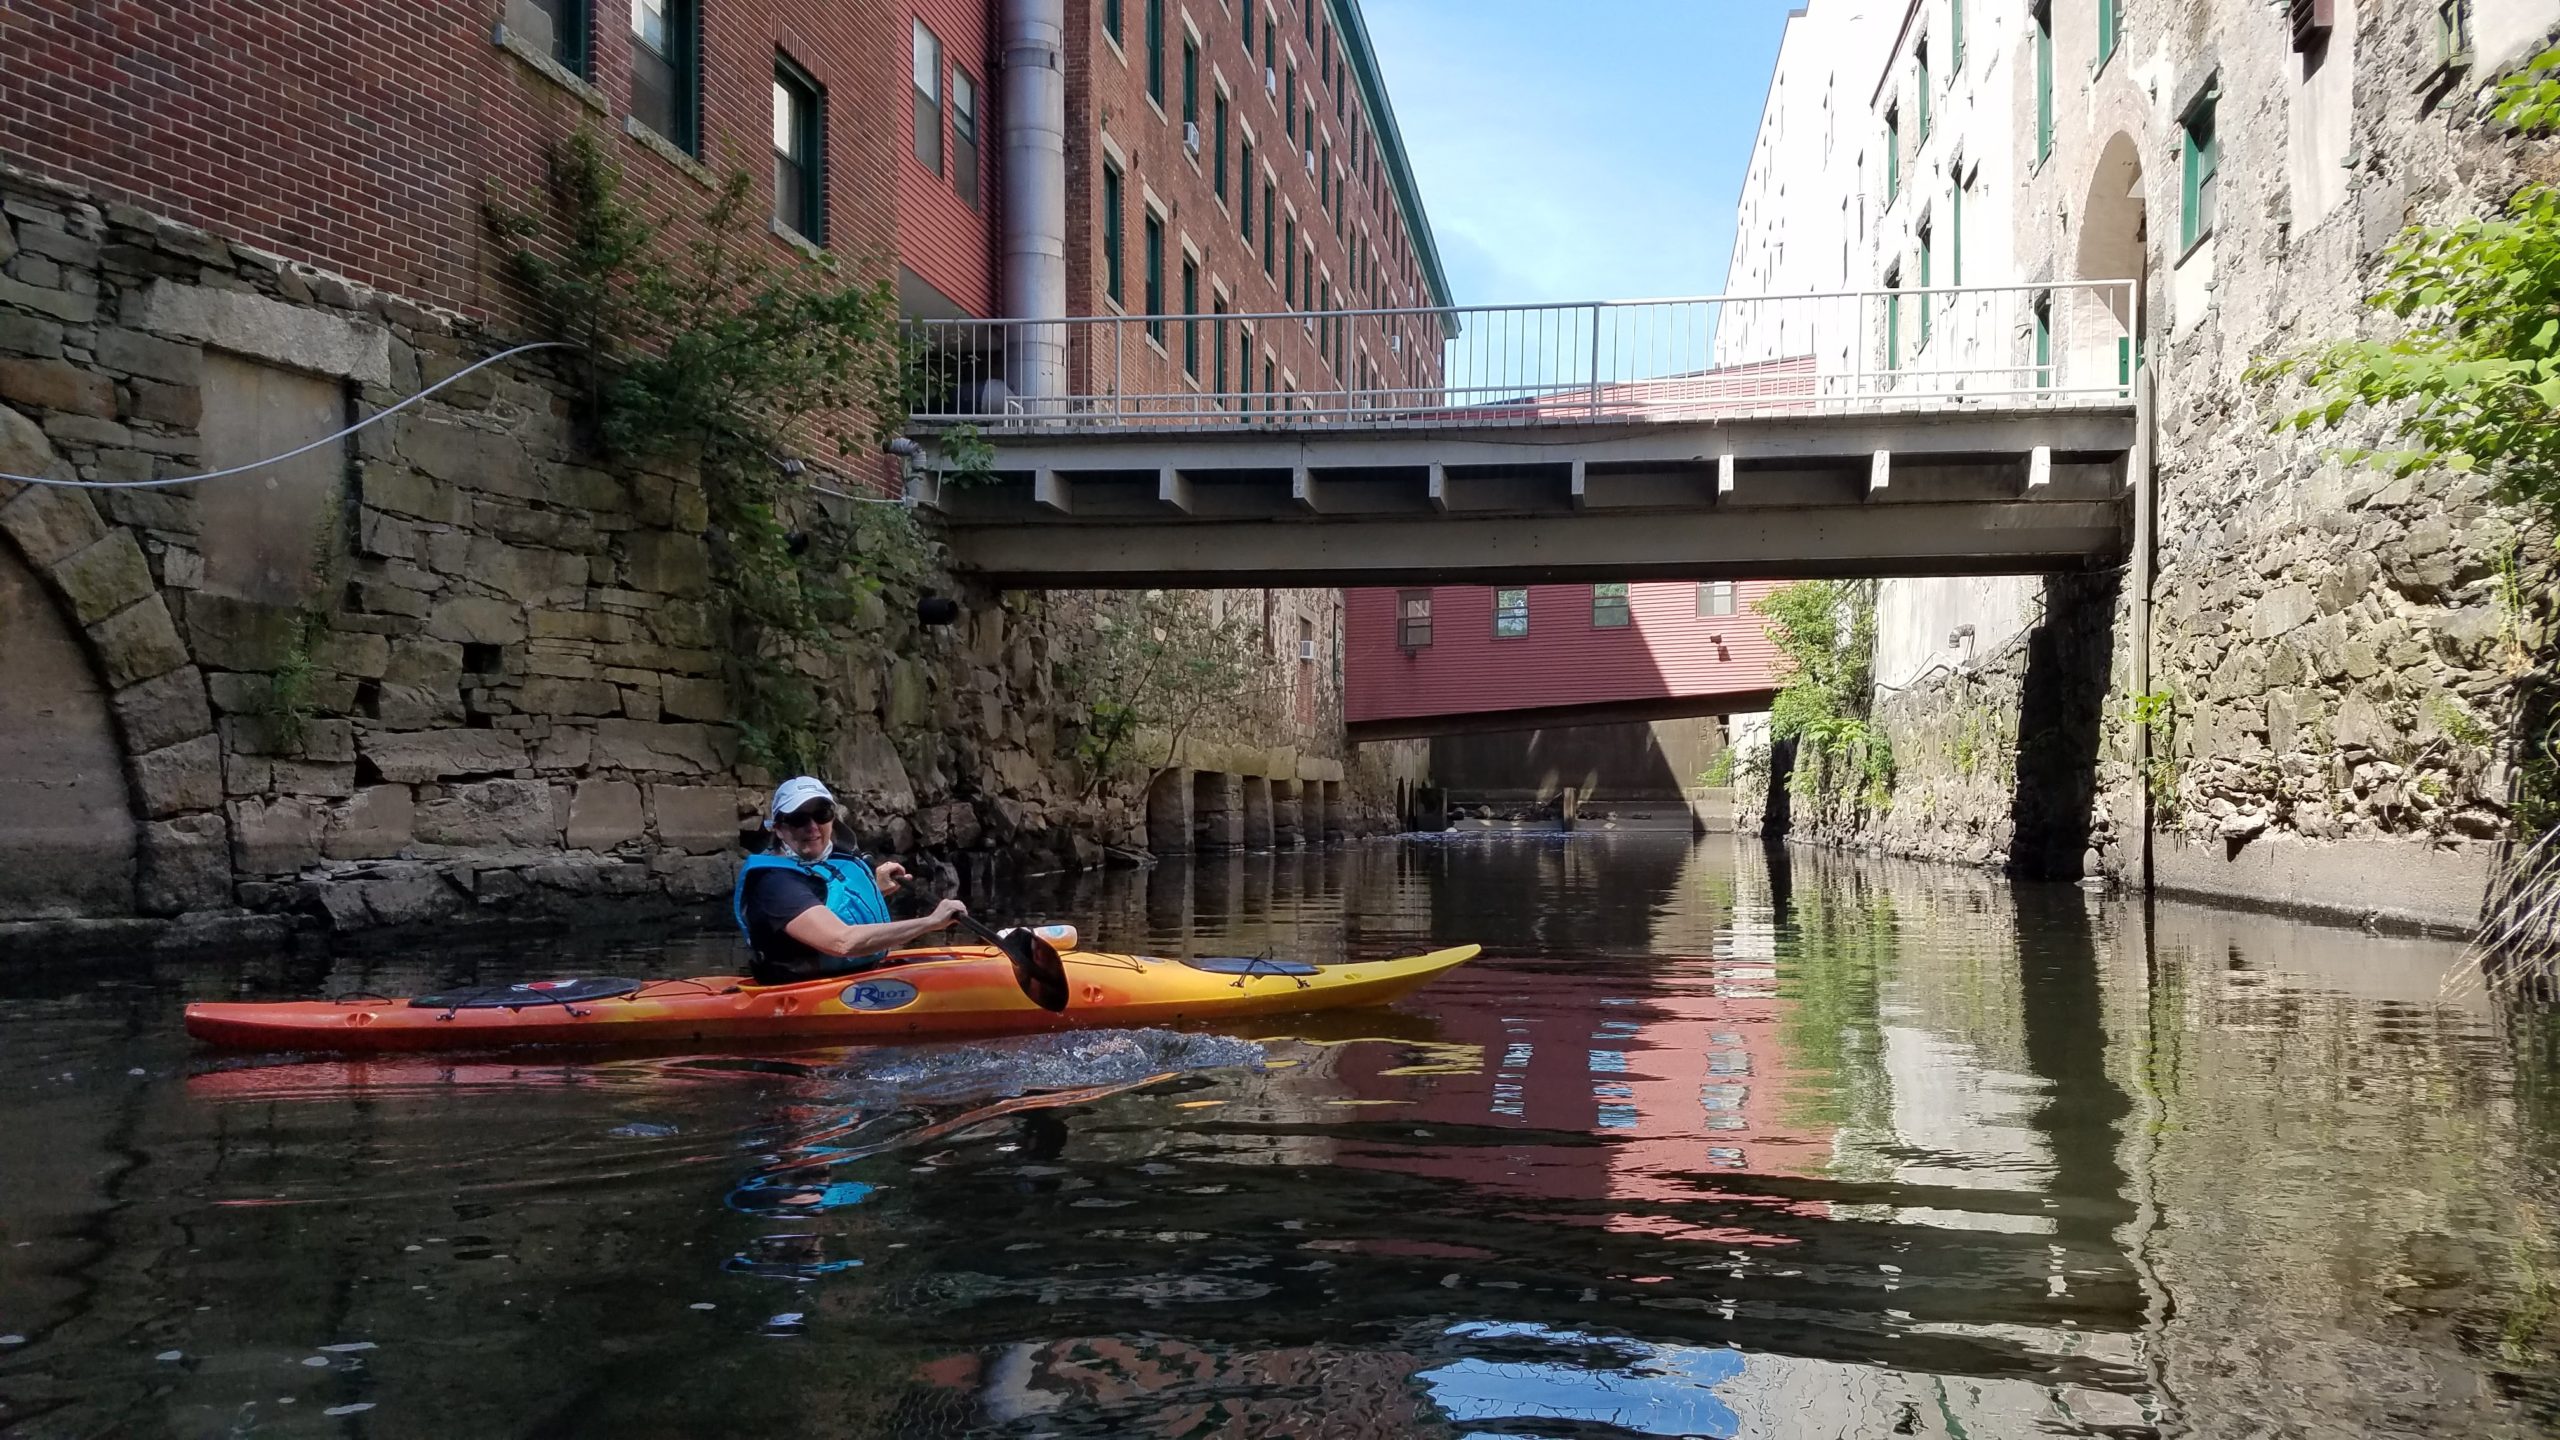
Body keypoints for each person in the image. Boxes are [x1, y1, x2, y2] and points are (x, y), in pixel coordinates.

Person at [732, 776, 969, 985]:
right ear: (779, 829)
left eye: (821, 815)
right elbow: (841, 942)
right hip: (799, 990)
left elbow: (824, 908)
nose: (813, 827)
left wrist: (875, 890)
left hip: (850, 977)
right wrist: (931, 922)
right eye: (798, 819)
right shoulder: (774, 884)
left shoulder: (816, 863)